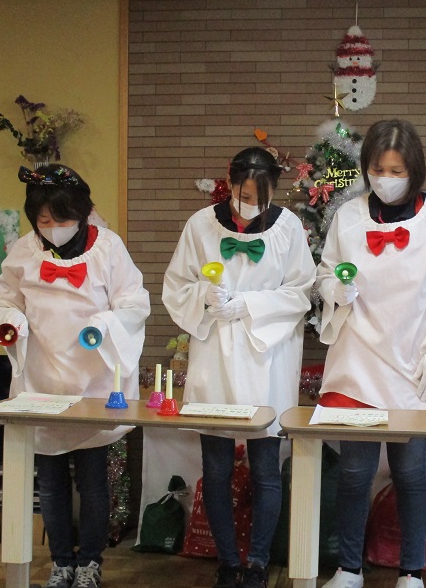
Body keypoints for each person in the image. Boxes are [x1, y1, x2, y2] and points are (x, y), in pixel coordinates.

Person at [316, 119, 426, 588]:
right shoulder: (348, 216)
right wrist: (336, 290)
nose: (385, 178)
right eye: (377, 169)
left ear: (415, 170)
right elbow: (326, 272)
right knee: (353, 473)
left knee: (410, 472)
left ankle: (411, 570)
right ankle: (349, 568)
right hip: (357, 359)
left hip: (414, 360)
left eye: (396, 170)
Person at [0, 164, 151, 588]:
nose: (53, 229)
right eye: (43, 221)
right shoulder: (24, 251)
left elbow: (134, 303)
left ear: (81, 212)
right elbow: (4, 300)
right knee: (51, 481)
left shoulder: (108, 248)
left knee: (93, 482)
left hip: (93, 382)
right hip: (41, 382)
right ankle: (61, 562)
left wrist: (105, 323)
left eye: (61, 219)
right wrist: (11, 321)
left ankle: (90, 562)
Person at [162, 147, 316, 588]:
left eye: (260, 198)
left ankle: (258, 563)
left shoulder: (287, 228)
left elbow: (300, 291)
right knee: (216, 469)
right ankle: (228, 563)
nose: (251, 204)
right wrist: (204, 297)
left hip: (267, 356)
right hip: (214, 353)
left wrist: (247, 304)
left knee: (266, 469)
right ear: (230, 185)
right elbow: (176, 285)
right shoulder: (201, 225)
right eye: (245, 195)